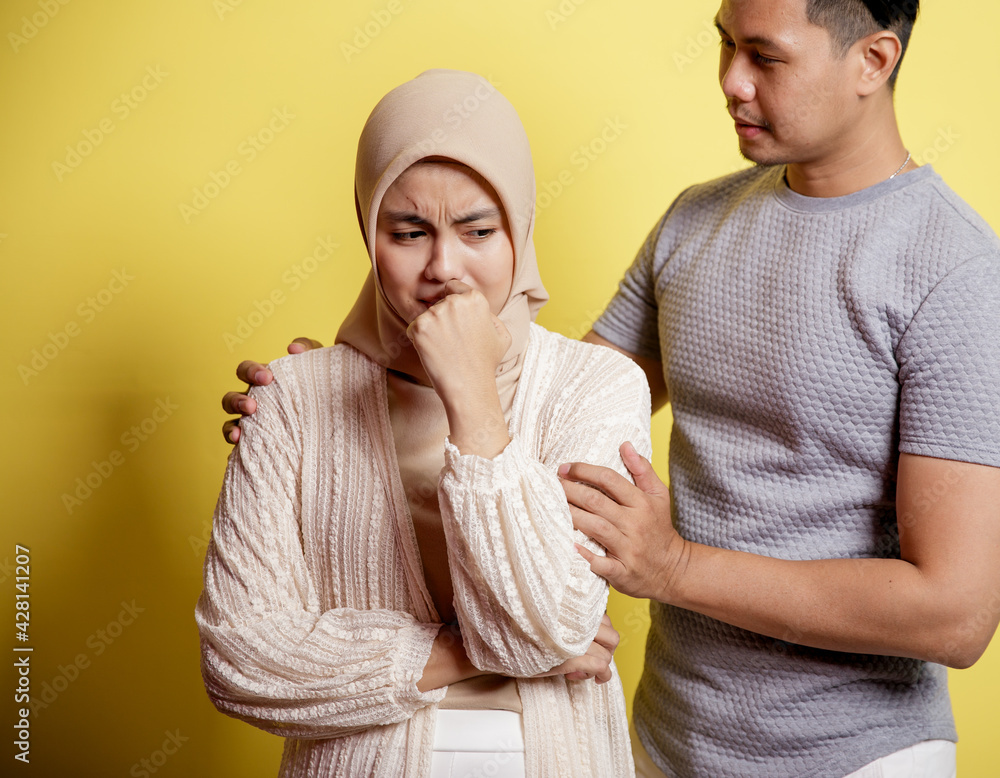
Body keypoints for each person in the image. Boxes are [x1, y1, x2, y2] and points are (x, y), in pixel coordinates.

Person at [222, 2, 1000, 777]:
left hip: (858, 757)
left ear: (874, 60)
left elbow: (956, 613)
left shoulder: (956, 273)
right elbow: (532, 401)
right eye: (724, 45)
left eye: (765, 57)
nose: (731, 80)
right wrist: (340, 399)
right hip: (666, 740)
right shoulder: (694, 225)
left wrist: (676, 568)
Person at [197, 69, 650, 778]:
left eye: (477, 230)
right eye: (408, 232)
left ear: (520, 228)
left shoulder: (597, 386)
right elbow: (240, 658)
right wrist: (470, 651)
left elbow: (550, 622)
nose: (445, 267)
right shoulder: (289, 397)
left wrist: (472, 397)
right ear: (366, 229)